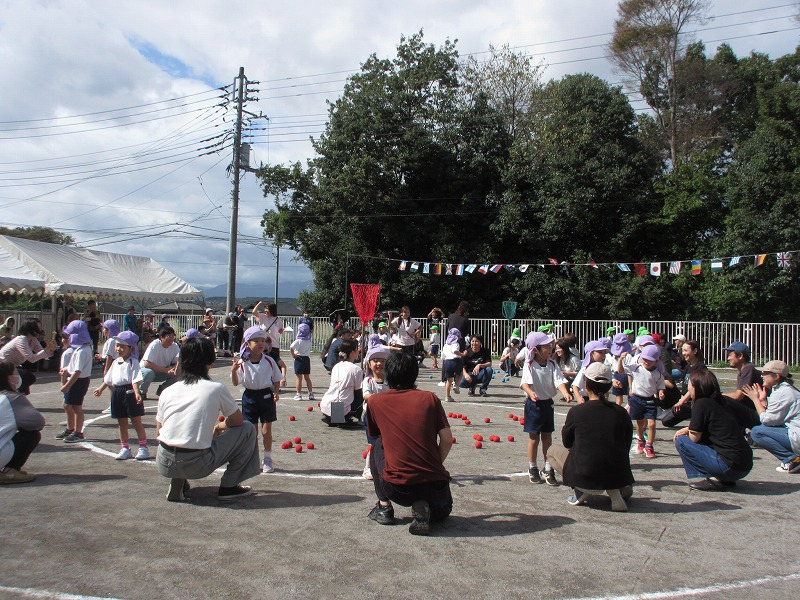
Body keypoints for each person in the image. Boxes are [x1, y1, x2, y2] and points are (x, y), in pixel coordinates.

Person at [156, 338, 260, 502]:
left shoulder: (168, 391)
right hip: (196, 465)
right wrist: (219, 426)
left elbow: (159, 431)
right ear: (211, 362)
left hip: (164, 462)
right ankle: (229, 486)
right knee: (247, 429)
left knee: (181, 436)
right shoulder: (215, 388)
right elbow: (237, 421)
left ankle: (178, 481)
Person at [366, 351, 453, 535]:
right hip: (436, 487)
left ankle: (384, 507)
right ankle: (426, 508)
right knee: (440, 512)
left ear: (388, 373)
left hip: (398, 488)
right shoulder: (430, 398)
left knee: (376, 445)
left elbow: (377, 438)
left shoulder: (375, 402)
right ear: (414, 374)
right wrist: (433, 464)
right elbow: (447, 439)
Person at [546, 362, 634, 511]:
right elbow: (627, 443)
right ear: (609, 386)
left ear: (586, 385)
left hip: (586, 472)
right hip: (618, 473)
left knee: (552, 452)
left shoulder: (577, 411)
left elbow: (567, 442)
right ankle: (614, 489)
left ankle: (581, 488)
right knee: (627, 491)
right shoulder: (621, 412)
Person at [673, 369, 757, 491]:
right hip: (746, 464)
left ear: (696, 387)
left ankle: (715, 478)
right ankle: (725, 479)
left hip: (729, 467)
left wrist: (691, 428)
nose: (688, 388)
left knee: (680, 440)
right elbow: (753, 419)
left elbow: (694, 437)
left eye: (690, 384)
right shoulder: (725, 400)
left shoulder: (701, 404)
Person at [520, 331, 572, 486]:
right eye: (547, 346)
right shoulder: (529, 365)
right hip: (534, 405)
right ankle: (533, 467)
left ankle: (548, 468)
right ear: (535, 350)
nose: (551, 349)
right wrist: (530, 393)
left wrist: (565, 392)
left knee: (547, 437)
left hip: (547, 405)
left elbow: (559, 381)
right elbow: (524, 383)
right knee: (534, 438)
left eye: (551, 345)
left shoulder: (552, 364)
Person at [231, 327, 282, 474]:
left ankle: (267, 458)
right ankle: (252, 459)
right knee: (252, 432)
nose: (260, 343)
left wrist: (276, 392)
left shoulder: (269, 360)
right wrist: (234, 371)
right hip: (249, 397)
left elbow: (277, 378)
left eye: (262, 340)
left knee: (266, 431)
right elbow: (235, 382)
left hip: (266, 396)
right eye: (256, 341)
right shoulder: (243, 362)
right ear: (247, 343)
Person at [92, 331, 150, 461]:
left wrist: (136, 392)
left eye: (123, 346)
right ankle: (125, 448)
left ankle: (143, 447)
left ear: (131, 348)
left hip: (130, 392)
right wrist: (100, 389)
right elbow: (108, 379)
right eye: (117, 345)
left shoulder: (133, 362)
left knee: (136, 421)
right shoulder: (115, 362)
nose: (119, 349)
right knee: (121, 422)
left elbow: (136, 379)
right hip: (117, 393)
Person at [743, 360, 800, 473]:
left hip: (796, 435)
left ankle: (792, 460)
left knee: (757, 432)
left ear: (776, 376)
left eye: (765, 373)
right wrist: (763, 400)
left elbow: (766, 420)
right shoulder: (783, 389)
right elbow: (775, 415)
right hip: (794, 432)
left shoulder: (783, 392)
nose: (762, 376)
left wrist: (755, 400)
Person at [0, 361, 45, 484]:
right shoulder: (12, 398)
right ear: (7, 377)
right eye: (15, 373)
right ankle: (9, 472)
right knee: (32, 435)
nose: (18, 376)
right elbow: (38, 422)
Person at [619, 344, 665, 459]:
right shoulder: (636, 367)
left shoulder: (657, 373)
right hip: (637, 398)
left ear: (656, 361)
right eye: (644, 359)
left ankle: (649, 445)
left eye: (650, 360)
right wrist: (621, 359)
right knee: (639, 423)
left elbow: (660, 386)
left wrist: (661, 392)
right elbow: (620, 371)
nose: (646, 362)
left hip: (650, 400)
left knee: (652, 423)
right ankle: (641, 440)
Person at [58, 320, 94, 443]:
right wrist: (66, 369)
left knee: (76, 407)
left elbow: (78, 371)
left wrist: (66, 385)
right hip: (76, 380)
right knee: (68, 405)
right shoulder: (80, 349)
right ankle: (70, 428)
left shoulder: (83, 350)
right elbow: (74, 368)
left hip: (78, 381)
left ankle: (78, 433)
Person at [0, 319, 57, 395]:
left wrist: (51, 349)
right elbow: (32, 359)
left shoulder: (33, 340)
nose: (39, 330)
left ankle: (16, 399)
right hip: (3, 366)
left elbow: (42, 354)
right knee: (26, 378)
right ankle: (14, 399)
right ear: (30, 328)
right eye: (38, 328)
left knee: (27, 380)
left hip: (11, 366)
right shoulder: (21, 339)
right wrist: (46, 351)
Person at [361, 344, 390, 479]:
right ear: (369, 364)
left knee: (387, 441)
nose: (379, 364)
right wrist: (382, 400)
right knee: (374, 443)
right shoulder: (368, 381)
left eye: (383, 361)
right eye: (376, 361)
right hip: (371, 417)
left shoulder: (389, 381)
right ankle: (368, 467)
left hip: (386, 417)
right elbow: (367, 396)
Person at [320, 339, 363, 426]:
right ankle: (348, 418)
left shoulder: (336, 366)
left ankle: (332, 417)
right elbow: (358, 392)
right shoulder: (356, 369)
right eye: (356, 349)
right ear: (352, 352)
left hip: (325, 404)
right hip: (340, 409)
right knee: (363, 394)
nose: (358, 351)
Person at [662, 340, 705, 427]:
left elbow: (694, 388)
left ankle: (696, 416)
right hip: (685, 401)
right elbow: (684, 386)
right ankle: (690, 414)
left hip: (694, 401)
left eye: (686, 350)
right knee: (666, 421)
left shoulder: (700, 368)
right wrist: (680, 399)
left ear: (695, 351)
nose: (683, 353)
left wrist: (682, 402)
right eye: (682, 350)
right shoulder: (688, 367)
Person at [139, 327, 180, 399]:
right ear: (161, 337)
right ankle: (142, 392)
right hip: (146, 370)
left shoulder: (175, 346)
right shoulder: (154, 344)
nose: (171, 338)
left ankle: (162, 390)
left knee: (178, 373)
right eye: (169, 336)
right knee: (149, 373)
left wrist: (174, 368)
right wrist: (165, 370)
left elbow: (177, 362)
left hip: (162, 371)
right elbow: (147, 364)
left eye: (173, 336)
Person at [722, 341, 762, 409]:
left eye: (730, 355)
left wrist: (720, 395)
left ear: (740, 356)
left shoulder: (748, 369)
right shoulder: (744, 370)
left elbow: (738, 396)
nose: (728, 359)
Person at [290, 323, 314, 402]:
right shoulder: (308, 341)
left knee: (299, 378)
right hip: (307, 359)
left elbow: (291, 347)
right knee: (307, 378)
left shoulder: (298, 341)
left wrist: (293, 354)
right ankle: (311, 393)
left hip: (299, 359)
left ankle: (298, 394)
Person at [441, 328, 465, 402]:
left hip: (447, 362)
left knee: (448, 380)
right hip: (455, 361)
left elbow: (443, 356)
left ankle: (447, 396)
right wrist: (462, 354)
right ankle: (456, 384)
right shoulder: (455, 344)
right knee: (461, 373)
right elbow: (455, 351)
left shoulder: (445, 345)